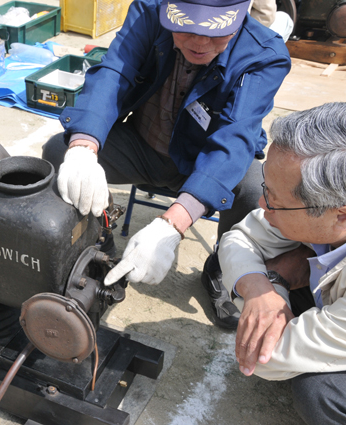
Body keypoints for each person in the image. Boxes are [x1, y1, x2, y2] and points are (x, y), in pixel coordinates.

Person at [42, 0, 291, 329]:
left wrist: (173, 224)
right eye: (186, 28)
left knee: (253, 189)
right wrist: (84, 146)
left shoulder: (264, 53)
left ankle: (222, 267)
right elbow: (114, 71)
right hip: (142, 147)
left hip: (206, 167)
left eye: (216, 34)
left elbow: (235, 139)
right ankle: (94, 239)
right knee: (59, 151)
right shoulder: (149, 12)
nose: (199, 43)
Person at [216, 102, 346, 424]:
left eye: (276, 201)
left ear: (340, 215)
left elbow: (264, 356)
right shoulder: (327, 211)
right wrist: (265, 286)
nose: (263, 204)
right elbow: (239, 238)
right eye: (268, 190)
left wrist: (274, 282)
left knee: (321, 391)